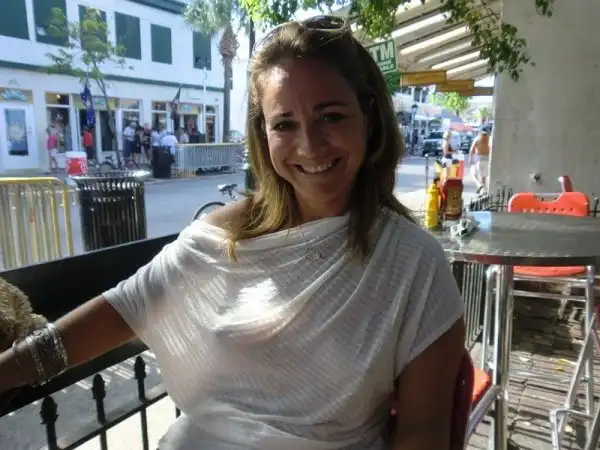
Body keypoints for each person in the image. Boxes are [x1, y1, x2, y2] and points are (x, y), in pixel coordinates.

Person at [0, 16, 465, 450]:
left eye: (331, 116)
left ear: (369, 116)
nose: (309, 144)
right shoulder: (223, 237)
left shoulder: (414, 266)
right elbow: (126, 306)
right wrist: (9, 369)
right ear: (263, 135)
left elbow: (422, 431)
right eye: (284, 124)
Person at [469, 127, 491, 194]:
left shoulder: (477, 139)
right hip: (486, 157)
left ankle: (479, 185)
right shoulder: (489, 139)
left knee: (473, 173)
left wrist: (470, 158)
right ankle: (484, 191)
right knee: (483, 177)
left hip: (478, 158)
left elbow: (472, 149)